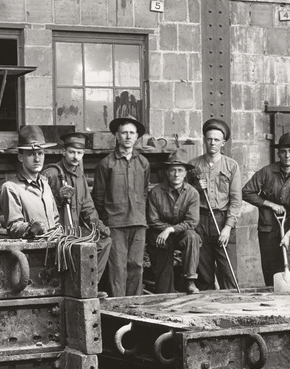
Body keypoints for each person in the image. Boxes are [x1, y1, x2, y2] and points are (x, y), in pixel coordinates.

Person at [242, 132, 290, 290]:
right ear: (278, 153)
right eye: (283, 151)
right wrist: (270, 204)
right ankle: (275, 292)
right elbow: (246, 192)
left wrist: (288, 234)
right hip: (269, 225)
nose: (287, 155)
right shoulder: (266, 172)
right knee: (271, 267)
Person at [43, 130, 112, 289]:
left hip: (74, 231)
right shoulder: (51, 174)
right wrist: (58, 198)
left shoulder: (79, 176)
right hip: (57, 234)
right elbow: (40, 207)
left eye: (79, 153)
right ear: (63, 152)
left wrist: (98, 226)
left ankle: (89, 285)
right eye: (72, 152)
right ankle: (72, 287)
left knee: (105, 242)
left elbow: (88, 207)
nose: (75, 156)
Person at [92, 116, 150, 297]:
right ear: (117, 136)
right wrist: (106, 220)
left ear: (137, 137)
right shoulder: (106, 163)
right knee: (117, 268)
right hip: (115, 224)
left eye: (132, 133)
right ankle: (119, 306)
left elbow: (145, 192)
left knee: (136, 266)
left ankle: (135, 306)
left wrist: (140, 214)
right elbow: (98, 197)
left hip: (138, 222)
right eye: (124, 133)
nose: (128, 136)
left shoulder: (143, 163)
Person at [188, 117, 242, 290]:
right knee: (204, 271)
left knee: (227, 270)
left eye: (216, 140)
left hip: (222, 219)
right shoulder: (193, 165)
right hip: (200, 220)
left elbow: (236, 200)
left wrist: (228, 227)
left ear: (223, 143)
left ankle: (232, 306)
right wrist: (195, 188)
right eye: (209, 139)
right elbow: (185, 197)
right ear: (204, 140)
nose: (212, 143)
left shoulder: (231, 166)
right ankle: (208, 308)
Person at [146, 148, 201, 294]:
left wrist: (170, 229)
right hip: (160, 237)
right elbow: (152, 220)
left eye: (180, 170)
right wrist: (164, 231)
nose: (176, 174)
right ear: (166, 172)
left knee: (192, 236)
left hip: (179, 234)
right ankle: (165, 291)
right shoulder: (156, 192)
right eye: (172, 170)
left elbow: (192, 222)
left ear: (185, 172)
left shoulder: (192, 193)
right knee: (163, 287)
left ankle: (190, 281)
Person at [0, 125, 60, 239]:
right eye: (31, 154)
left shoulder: (45, 184)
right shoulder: (11, 188)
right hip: (31, 252)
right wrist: (31, 229)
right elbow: (14, 227)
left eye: (40, 153)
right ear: (21, 157)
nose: (37, 159)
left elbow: (55, 221)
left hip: (53, 248)